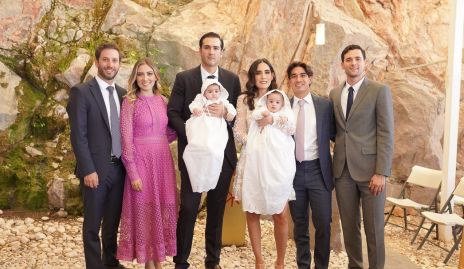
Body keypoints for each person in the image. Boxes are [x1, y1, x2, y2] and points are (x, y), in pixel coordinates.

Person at [167, 32, 241, 269]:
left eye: (216, 48)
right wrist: (191, 133)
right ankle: (181, 261)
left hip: (222, 156)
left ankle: (213, 260)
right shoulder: (185, 78)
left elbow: (238, 117)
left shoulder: (231, 79)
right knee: (189, 206)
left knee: (216, 209)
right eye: (207, 47)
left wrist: (227, 116)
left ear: (222, 51)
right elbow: (173, 114)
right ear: (200, 50)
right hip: (195, 156)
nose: (211, 52)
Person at [329, 44, 394, 269]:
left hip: (371, 173)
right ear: (342, 64)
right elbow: (338, 131)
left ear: (364, 63)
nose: (353, 63)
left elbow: (386, 132)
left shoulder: (379, 90)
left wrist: (381, 172)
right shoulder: (335, 93)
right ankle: (354, 266)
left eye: (357, 59)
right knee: (349, 226)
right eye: (349, 59)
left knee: (374, 228)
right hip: (343, 171)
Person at [67, 43, 127, 269]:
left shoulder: (124, 94)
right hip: (95, 170)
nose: (110, 64)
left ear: (119, 64)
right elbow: (78, 135)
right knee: (93, 225)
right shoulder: (81, 92)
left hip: (119, 169)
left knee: (112, 223)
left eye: (114, 60)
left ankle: (111, 263)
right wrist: (88, 169)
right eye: (105, 60)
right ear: (97, 62)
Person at [116, 58, 178, 269]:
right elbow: (126, 140)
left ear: (155, 76)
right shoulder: (129, 102)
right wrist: (132, 172)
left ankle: (158, 261)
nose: (145, 78)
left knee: (160, 208)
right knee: (145, 209)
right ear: (135, 78)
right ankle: (148, 264)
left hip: (162, 162)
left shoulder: (163, 101)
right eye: (141, 74)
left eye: (149, 74)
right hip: (140, 162)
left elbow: (169, 132)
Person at [233, 59, 290, 269]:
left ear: (273, 75)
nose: (263, 76)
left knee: (281, 212)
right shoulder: (244, 100)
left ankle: (280, 261)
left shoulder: (280, 98)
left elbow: (288, 127)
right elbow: (238, 130)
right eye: (259, 72)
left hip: (276, 163)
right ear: (253, 76)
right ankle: (259, 260)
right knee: (253, 210)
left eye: (267, 72)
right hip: (252, 161)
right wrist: (255, 144)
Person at [286, 62, 335, 269]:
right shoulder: (283, 107)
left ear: (310, 78)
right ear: (289, 81)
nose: (299, 79)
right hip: (293, 172)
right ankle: (303, 265)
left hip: (318, 171)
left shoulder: (324, 106)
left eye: (303, 75)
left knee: (323, 223)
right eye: (294, 76)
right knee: (300, 225)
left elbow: (336, 135)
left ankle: (321, 266)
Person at [183, 79, 236, 193]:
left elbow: (231, 108)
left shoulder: (222, 101)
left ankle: (210, 179)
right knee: (198, 147)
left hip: (217, 129)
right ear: (204, 93)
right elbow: (193, 105)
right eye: (210, 91)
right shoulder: (200, 99)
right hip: (202, 126)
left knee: (214, 152)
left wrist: (230, 113)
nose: (214, 94)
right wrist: (196, 109)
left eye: (216, 91)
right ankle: (199, 179)